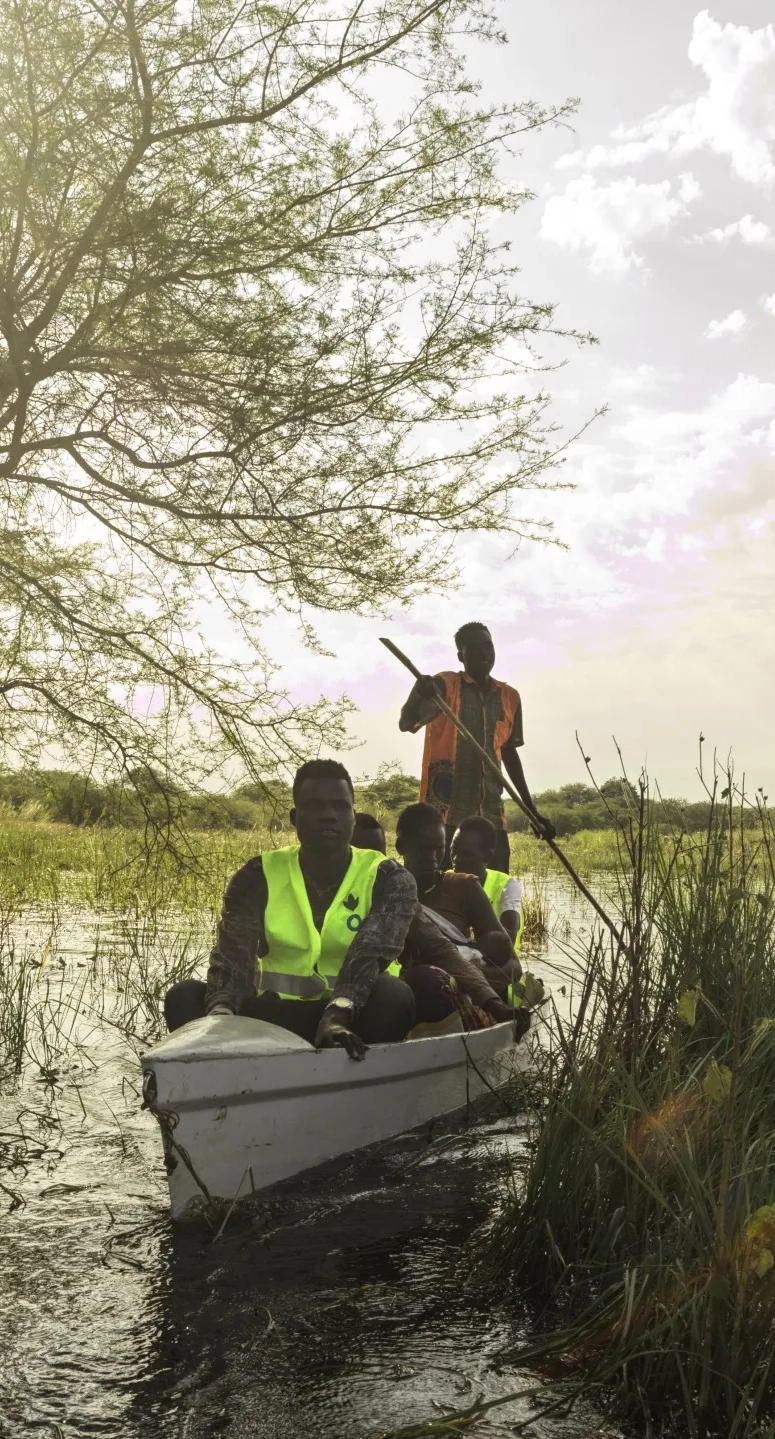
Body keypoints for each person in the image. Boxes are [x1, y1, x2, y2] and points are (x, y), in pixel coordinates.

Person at [164, 760, 417, 1060]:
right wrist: (221, 1018)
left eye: (340, 806)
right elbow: (233, 958)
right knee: (184, 997)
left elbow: (370, 952)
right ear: (295, 818)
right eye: (314, 806)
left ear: (352, 815)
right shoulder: (257, 875)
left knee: (395, 996)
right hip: (273, 1017)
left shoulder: (389, 878)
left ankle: (355, 1078)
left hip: (349, 1016)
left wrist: (338, 1014)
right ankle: (227, 1078)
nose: (328, 816)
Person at [398, 621, 555, 869]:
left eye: (488, 646)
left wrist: (531, 811)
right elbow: (407, 722)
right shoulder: (445, 685)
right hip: (445, 817)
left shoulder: (510, 696)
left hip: (491, 814)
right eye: (475, 648)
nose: (484, 653)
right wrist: (420, 691)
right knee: (441, 891)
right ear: (461, 656)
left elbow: (508, 752)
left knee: (497, 886)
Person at [351, 805, 512, 1028]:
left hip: (449, 1000)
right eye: (424, 850)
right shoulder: (381, 892)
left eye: (439, 849)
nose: (433, 858)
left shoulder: (463, 887)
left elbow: (512, 965)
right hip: (390, 1002)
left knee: (427, 980)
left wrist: (458, 981)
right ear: (400, 847)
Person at [451, 816, 524, 953]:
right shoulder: (445, 879)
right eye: (453, 850)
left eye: (466, 854)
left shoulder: (508, 886)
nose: (456, 859)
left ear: (487, 857)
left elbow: (508, 939)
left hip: (500, 970)